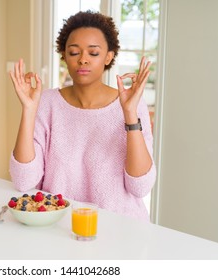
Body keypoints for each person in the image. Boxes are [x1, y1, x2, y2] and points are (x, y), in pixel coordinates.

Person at [8, 11, 156, 222]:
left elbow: (140, 186)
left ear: (108, 56)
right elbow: (23, 181)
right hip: (59, 227)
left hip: (120, 229)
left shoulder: (131, 104)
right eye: (74, 52)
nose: (83, 60)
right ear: (64, 56)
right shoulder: (47, 102)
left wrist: (130, 114)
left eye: (93, 53)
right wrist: (29, 110)